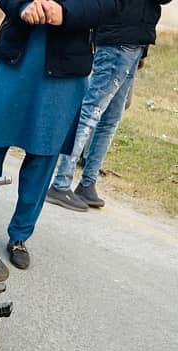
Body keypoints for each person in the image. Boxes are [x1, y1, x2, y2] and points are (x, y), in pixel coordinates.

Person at [0, 0, 118, 270]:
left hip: (66, 65)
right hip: (18, 53)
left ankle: (20, 235)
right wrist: (22, 5)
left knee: (43, 155)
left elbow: (112, 4)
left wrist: (67, 13)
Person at [46, 0, 172, 211]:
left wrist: (143, 49)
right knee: (91, 112)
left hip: (132, 41)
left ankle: (87, 183)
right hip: (119, 40)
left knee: (110, 118)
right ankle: (61, 183)